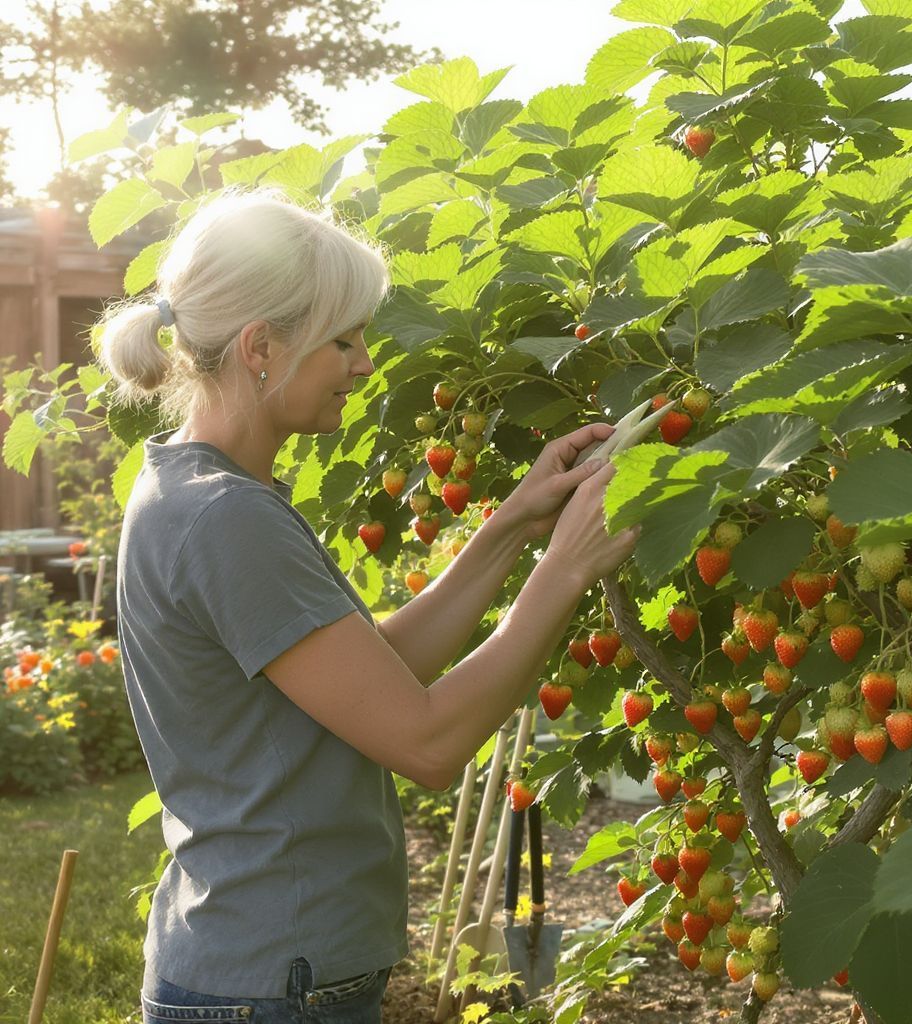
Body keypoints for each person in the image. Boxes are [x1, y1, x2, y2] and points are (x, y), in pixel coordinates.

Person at [98, 188, 639, 1024]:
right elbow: (424, 742)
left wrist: (517, 523)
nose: (363, 363)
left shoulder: (198, 488)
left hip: (259, 967)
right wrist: (565, 567)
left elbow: (373, 674)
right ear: (261, 347)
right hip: (275, 981)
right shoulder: (226, 517)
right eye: (342, 339)